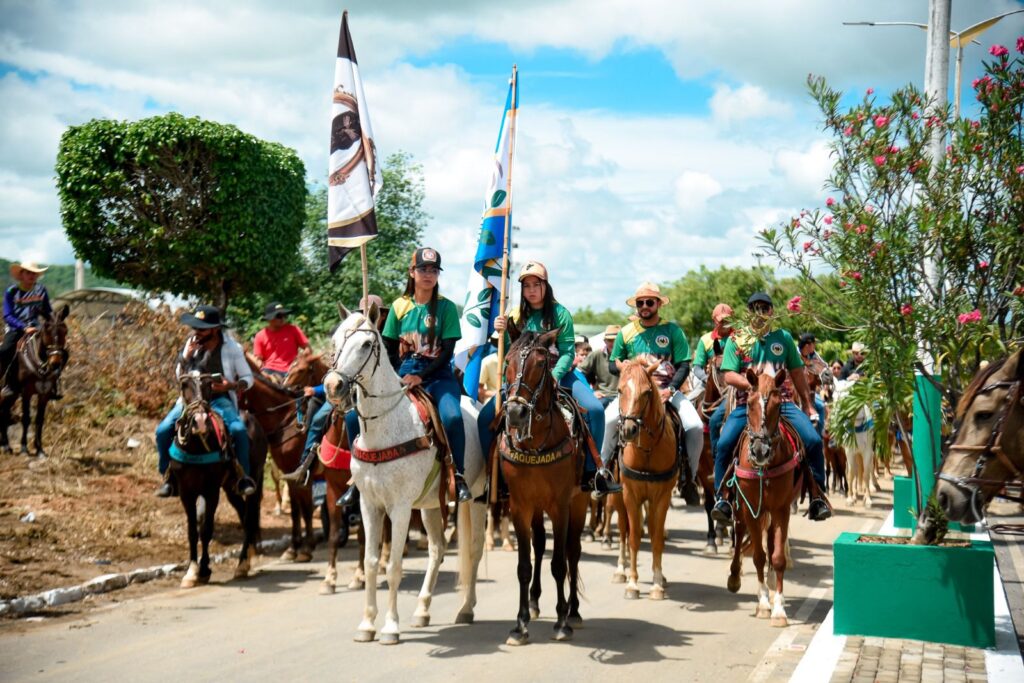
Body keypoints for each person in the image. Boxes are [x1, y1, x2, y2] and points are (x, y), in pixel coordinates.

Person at [338, 248, 473, 504]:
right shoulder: (399, 306)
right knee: (353, 415)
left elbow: (447, 351)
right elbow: (388, 348)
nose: (428, 275)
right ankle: (356, 478)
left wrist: (421, 376)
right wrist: (395, 375)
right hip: (403, 371)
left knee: (453, 416)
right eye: (423, 269)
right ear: (412, 272)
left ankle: (459, 474)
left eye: (433, 270)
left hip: (438, 374)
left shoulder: (446, 307)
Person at [477, 260, 620, 497]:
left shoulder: (560, 313)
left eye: (536, 284)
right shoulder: (515, 315)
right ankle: (493, 477)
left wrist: (554, 376)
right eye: (526, 286)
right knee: (484, 419)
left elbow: (568, 352)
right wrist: (501, 330)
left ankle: (592, 472)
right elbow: (511, 354)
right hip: (524, 378)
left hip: (559, 373)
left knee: (595, 410)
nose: (531, 290)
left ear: (546, 285)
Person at [711, 292, 831, 523]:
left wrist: (808, 406)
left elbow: (797, 373)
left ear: (772, 312)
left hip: (781, 403)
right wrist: (752, 386)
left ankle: (817, 496)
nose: (760, 313)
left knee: (813, 441)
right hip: (749, 405)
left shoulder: (783, 338)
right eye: (755, 308)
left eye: (764, 308)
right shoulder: (738, 339)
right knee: (724, 444)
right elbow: (729, 375)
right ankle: (722, 498)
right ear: (749, 312)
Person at [604, 282, 703, 505]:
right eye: (640, 303)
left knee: (695, 426)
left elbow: (684, 364)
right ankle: (604, 471)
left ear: (658, 304)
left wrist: (671, 389)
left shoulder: (673, 331)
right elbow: (612, 364)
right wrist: (623, 366)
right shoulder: (626, 332)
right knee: (609, 420)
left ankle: (689, 477)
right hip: (634, 393)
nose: (644, 306)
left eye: (649, 302)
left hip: (667, 389)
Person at [154, 305, 256, 498]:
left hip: (219, 399)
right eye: (195, 328)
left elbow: (248, 379)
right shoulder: (191, 344)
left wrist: (231, 385)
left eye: (202, 328)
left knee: (238, 430)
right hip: (191, 401)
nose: (197, 332)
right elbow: (179, 376)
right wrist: (186, 357)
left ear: (214, 329)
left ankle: (243, 477)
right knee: (163, 430)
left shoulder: (232, 348)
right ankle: (168, 477)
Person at [285, 295, 386, 486]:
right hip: (347, 393)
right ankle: (305, 465)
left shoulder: (389, 336)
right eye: (361, 314)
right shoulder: (349, 339)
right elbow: (337, 373)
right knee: (318, 419)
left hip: (378, 394)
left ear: (381, 315)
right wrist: (317, 390)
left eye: (370, 314)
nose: (365, 318)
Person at [1, 261, 55, 400]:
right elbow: (7, 315)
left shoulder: (41, 290)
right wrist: (24, 327)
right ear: (21, 275)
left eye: (34, 273)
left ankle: (54, 385)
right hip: (15, 328)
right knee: (5, 351)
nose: (32, 276)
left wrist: (54, 323)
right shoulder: (12, 291)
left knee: (57, 350)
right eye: (28, 273)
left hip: (37, 328)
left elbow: (47, 311)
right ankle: (7, 384)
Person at [251, 302, 309, 381]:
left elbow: (307, 348)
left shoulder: (293, 330)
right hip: (270, 371)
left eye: (284, 315)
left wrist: (302, 359)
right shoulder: (260, 335)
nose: (283, 319)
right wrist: (258, 367)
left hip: (292, 370)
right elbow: (258, 358)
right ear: (270, 319)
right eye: (279, 316)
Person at [579, 324, 620, 407]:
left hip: (625, 396)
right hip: (603, 396)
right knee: (592, 409)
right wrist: (590, 391)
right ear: (605, 341)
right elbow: (578, 373)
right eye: (609, 340)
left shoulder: (629, 355)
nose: (612, 343)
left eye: (615, 340)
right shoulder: (596, 354)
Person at [798, 333, 828, 440]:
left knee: (821, 406)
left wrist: (811, 363)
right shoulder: (794, 354)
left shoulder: (814, 354)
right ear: (807, 345)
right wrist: (810, 364)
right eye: (814, 344)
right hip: (794, 390)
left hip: (810, 391)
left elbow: (825, 366)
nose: (815, 346)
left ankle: (819, 435)